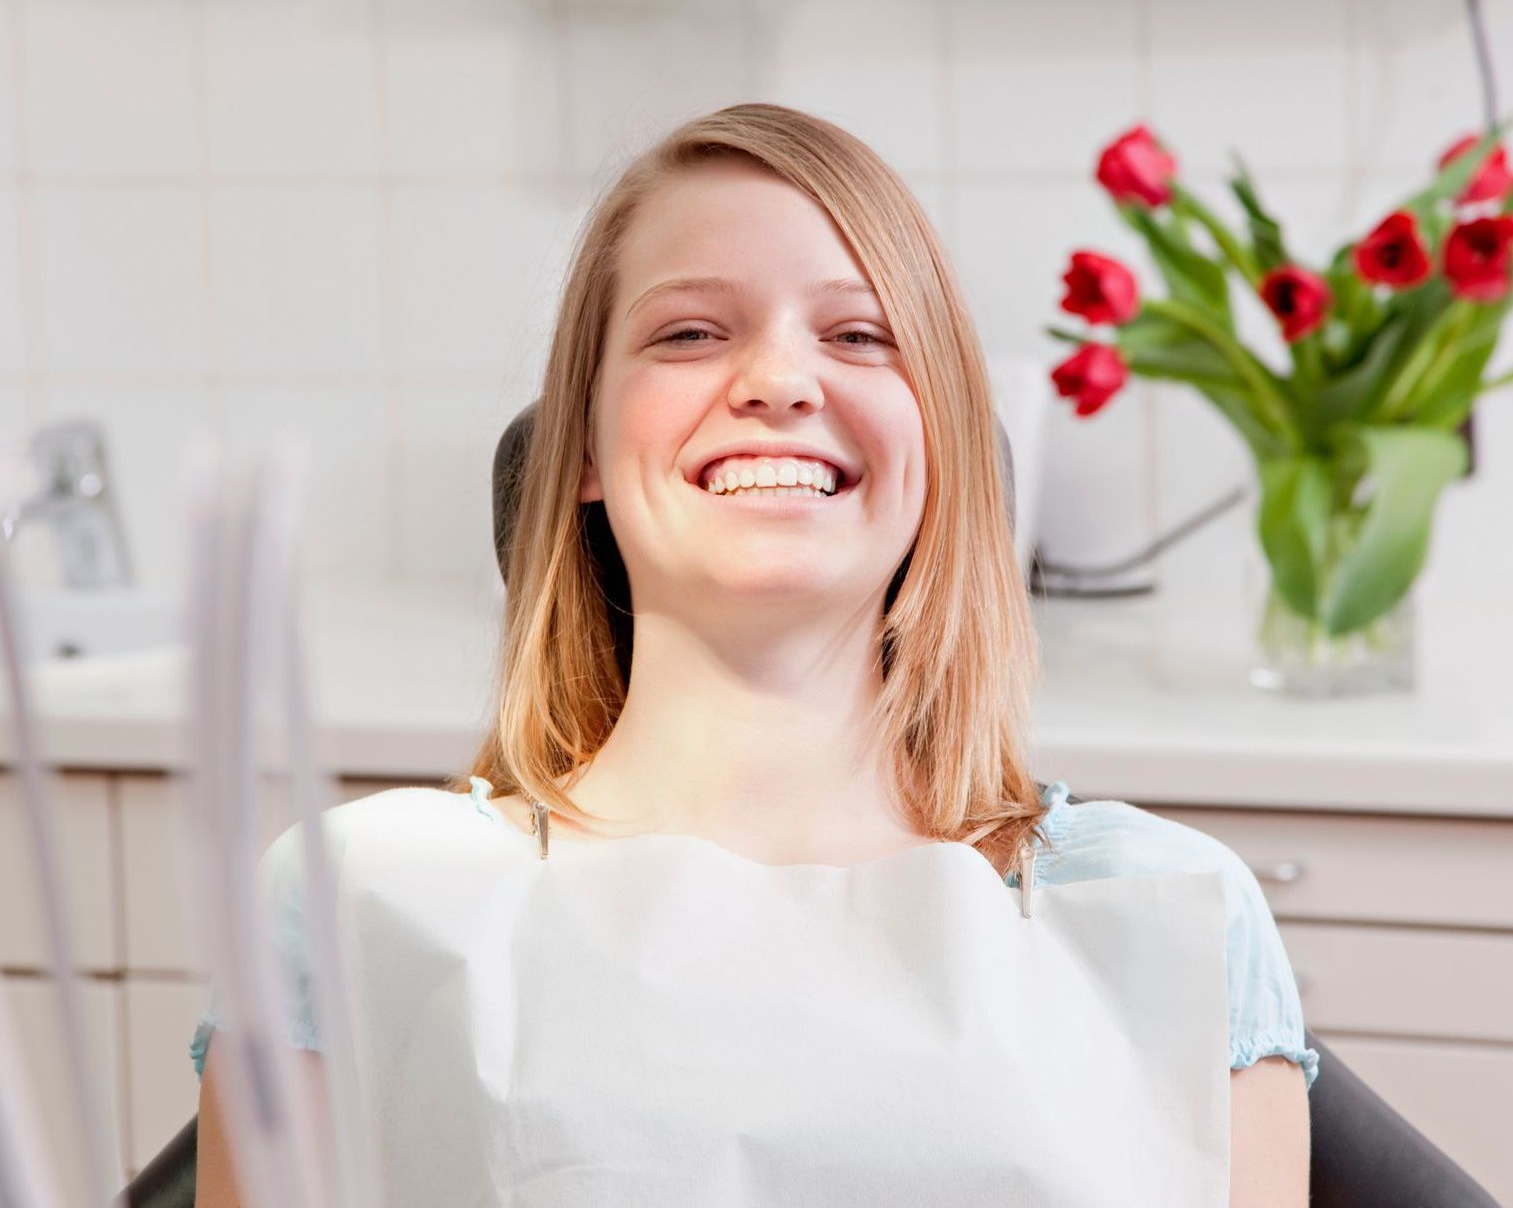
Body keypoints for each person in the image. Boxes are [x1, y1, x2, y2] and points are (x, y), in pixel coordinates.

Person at [192, 102, 1317, 1206]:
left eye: (858, 334)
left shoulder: (1162, 914)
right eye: (689, 332)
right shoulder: (362, 902)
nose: (778, 380)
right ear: (579, 445)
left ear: (946, 449)